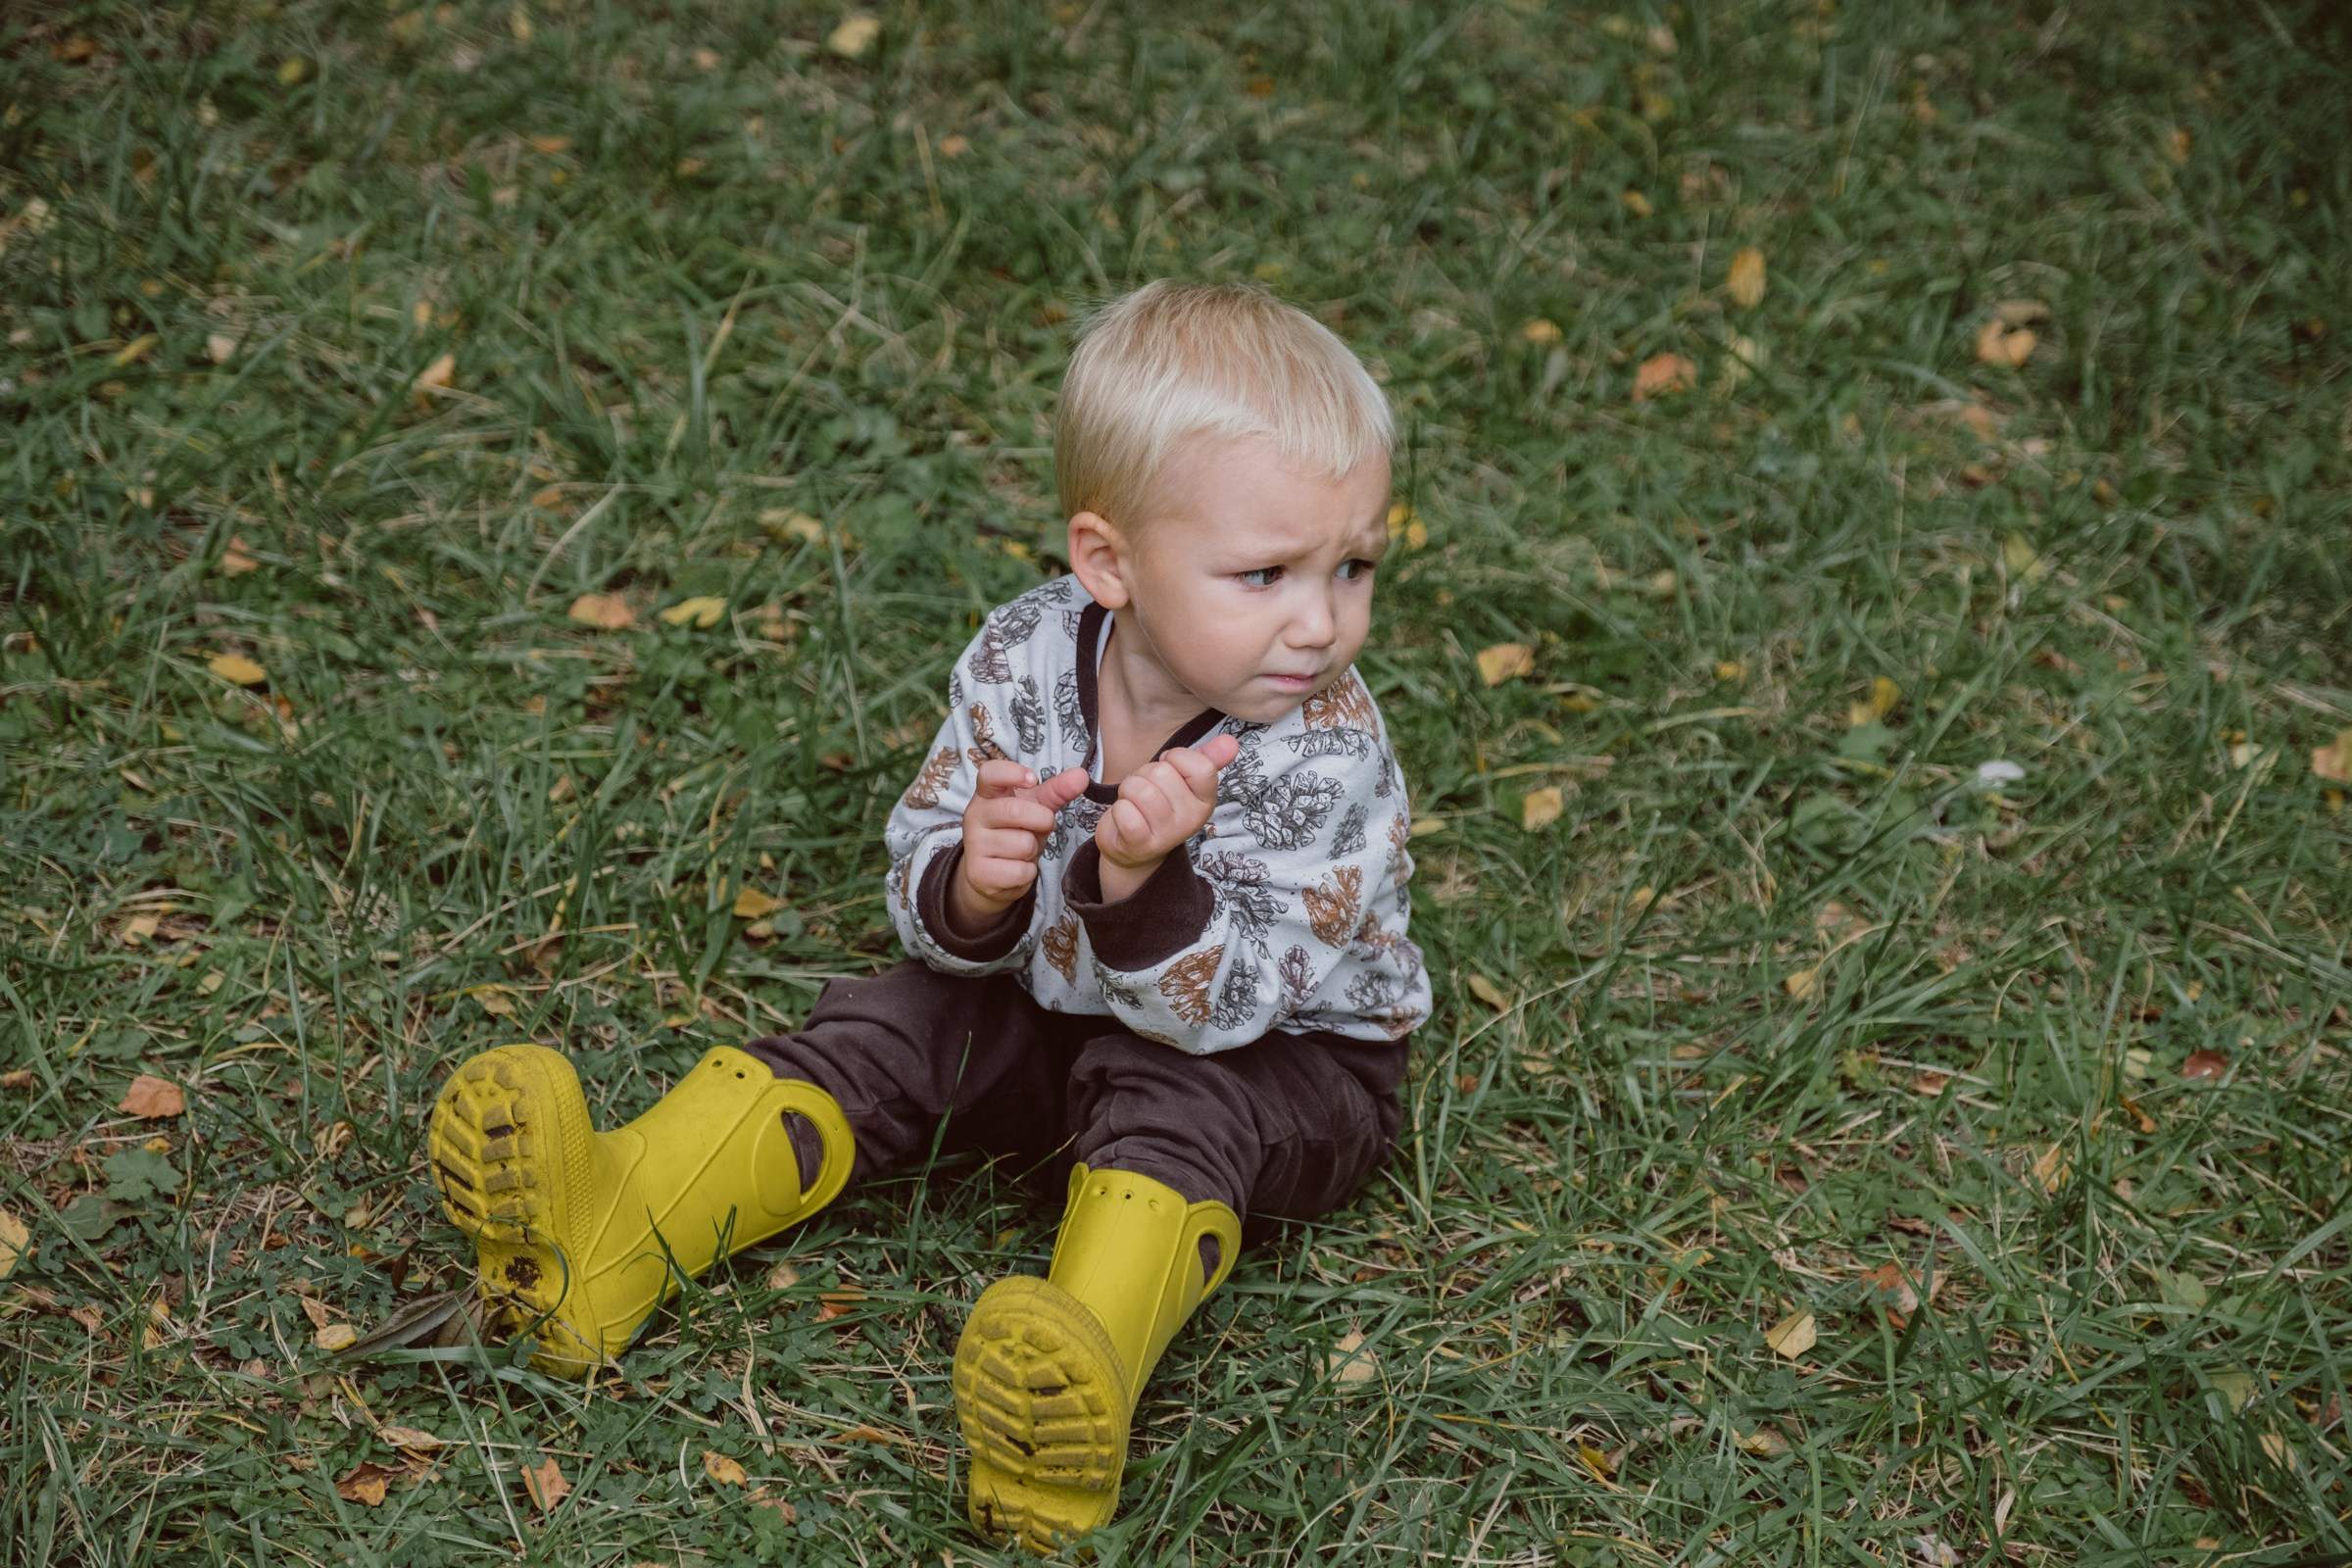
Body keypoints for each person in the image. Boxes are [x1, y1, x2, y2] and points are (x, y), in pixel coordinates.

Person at [425, 279, 1432, 1553]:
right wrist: (976, 880)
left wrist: (1137, 890)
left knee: (1174, 1096)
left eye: (1353, 566)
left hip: (1284, 1064)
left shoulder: (1323, 753)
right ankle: (615, 1223)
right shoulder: (1024, 656)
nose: (1322, 619)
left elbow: (1227, 1008)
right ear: (1107, 560)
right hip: (1049, 1001)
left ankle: (1082, 1386)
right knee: (895, 1026)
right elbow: (922, 867)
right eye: (1266, 573)